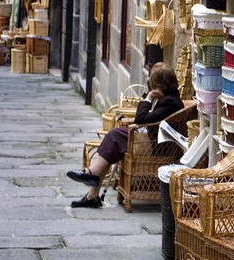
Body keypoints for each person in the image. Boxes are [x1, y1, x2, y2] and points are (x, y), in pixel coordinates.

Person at [66, 64, 184, 208]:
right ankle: (92, 193)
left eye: (152, 82)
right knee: (114, 140)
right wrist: (149, 97)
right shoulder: (168, 97)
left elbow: (140, 119)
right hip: (150, 139)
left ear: (159, 84)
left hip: (157, 146)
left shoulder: (170, 102)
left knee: (114, 136)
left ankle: (93, 175)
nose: (150, 85)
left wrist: (150, 97)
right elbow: (144, 119)